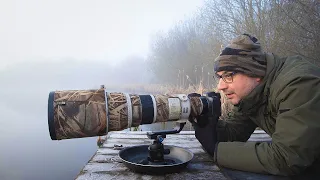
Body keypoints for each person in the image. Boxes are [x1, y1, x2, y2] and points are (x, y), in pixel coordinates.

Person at [190, 34, 320, 176]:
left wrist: (216, 151)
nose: (220, 86)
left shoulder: (298, 84)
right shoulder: (252, 94)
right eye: (220, 77)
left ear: (254, 73)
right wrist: (208, 122)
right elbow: (234, 133)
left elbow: (288, 157)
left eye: (228, 76)